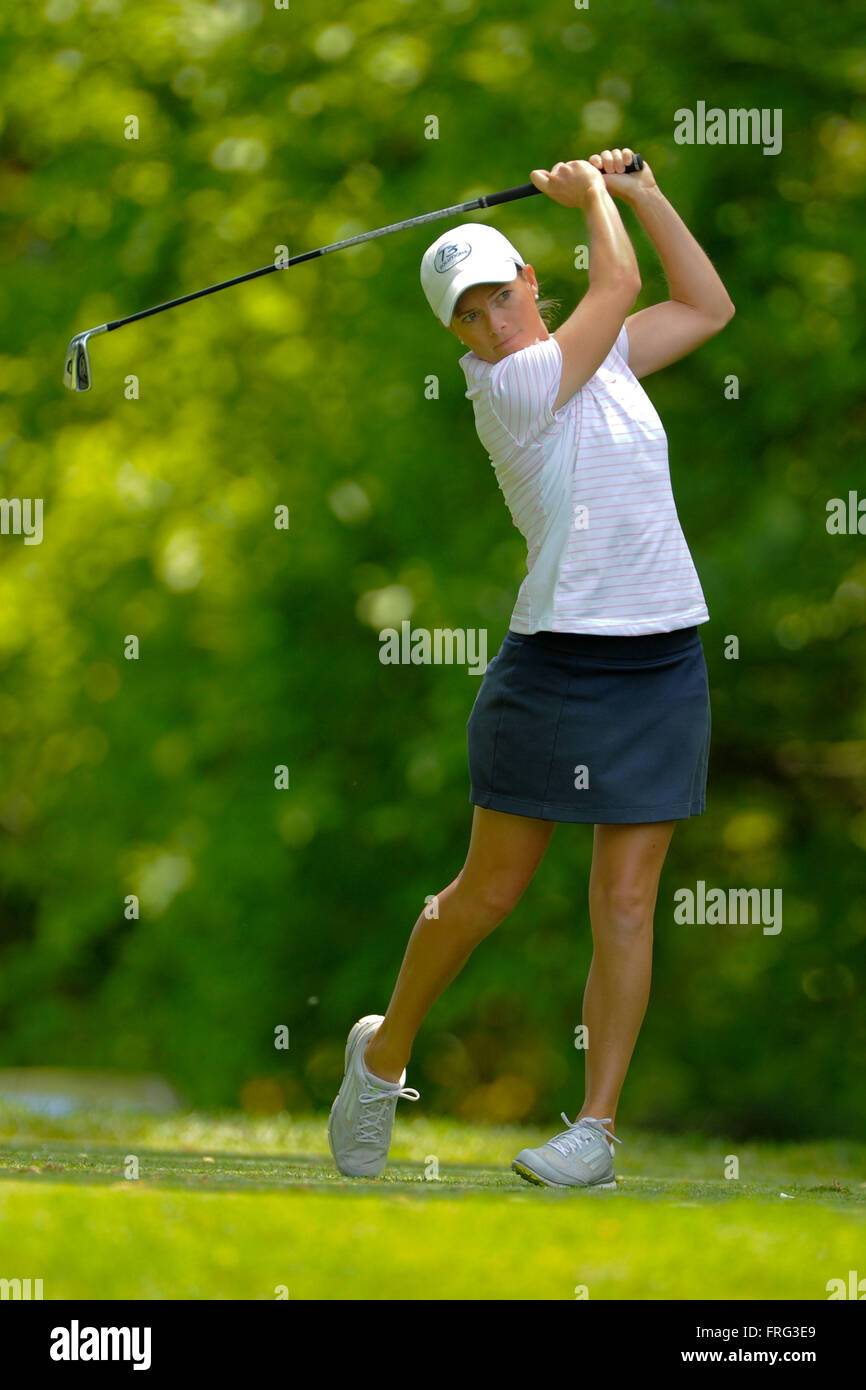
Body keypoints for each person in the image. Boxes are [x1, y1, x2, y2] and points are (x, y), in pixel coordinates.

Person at [328, 147, 735, 1188]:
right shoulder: (509, 388)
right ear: (461, 337)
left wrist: (643, 194)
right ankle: (380, 1055)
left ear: (528, 285)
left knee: (629, 902)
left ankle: (593, 1132)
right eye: (465, 316)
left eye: (497, 298)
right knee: (486, 894)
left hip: (659, 660)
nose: (488, 324)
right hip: (552, 669)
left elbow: (704, 304)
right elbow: (622, 283)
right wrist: (591, 195)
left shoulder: (604, 361)